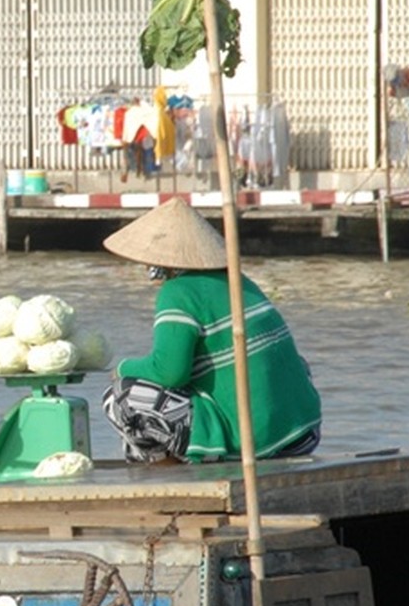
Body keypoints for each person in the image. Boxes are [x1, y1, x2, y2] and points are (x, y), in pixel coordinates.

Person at [100, 197, 321, 464]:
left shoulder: (178, 292)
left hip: (254, 441)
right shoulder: (241, 281)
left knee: (121, 395)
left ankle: (169, 471)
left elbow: (169, 372)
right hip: (302, 434)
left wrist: (122, 368)